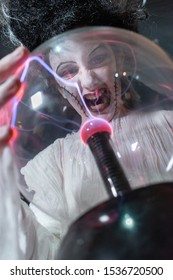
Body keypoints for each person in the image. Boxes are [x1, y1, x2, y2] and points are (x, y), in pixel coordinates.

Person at [0, 0, 165, 260]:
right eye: (68, 70)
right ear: (55, 85)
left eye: (97, 58)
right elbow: (42, 264)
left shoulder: (169, 127)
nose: (88, 81)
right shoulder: (53, 167)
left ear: (119, 58)